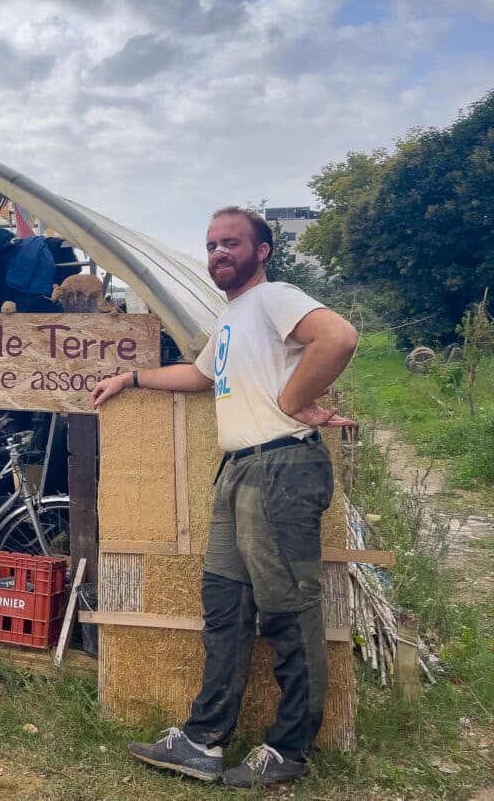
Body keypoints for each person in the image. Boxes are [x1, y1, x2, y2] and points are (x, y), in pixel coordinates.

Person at [90, 206, 358, 789]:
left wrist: (290, 401)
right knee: (226, 607)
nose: (218, 253)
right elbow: (202, 376)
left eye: (231, 243)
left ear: (263, 250)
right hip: (240, 470)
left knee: (287, 609)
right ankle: (203, 741)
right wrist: (131, 379)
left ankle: (289, 748)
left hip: (281, 466)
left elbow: (338, 338)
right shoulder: (234, 315)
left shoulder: (275, 298)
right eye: (212, 245)